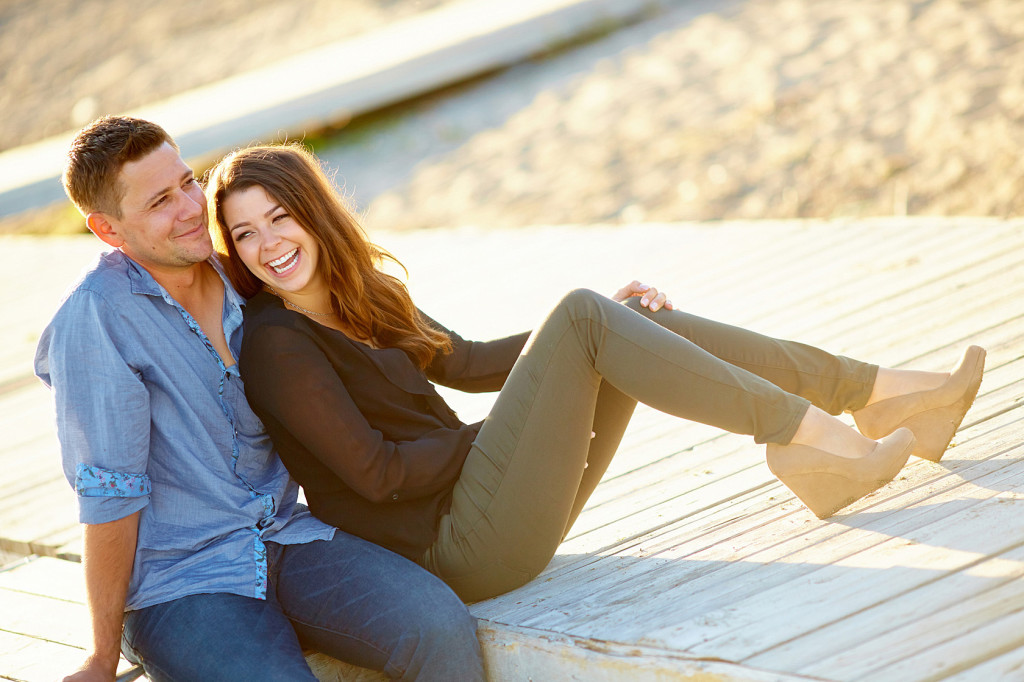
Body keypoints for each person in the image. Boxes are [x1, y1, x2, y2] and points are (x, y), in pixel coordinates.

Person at [206, 143, 986, 605]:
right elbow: (374, 478)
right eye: (244, 234)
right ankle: (814, 440)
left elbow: (474, 363)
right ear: (236, 253)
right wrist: (501, 440)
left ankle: (876, 393)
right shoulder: (279, 346)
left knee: (621, 319)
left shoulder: (368, 296)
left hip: (493, 500)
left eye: (279, 217)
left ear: (314, 212)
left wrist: (606, 325)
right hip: (459, 548)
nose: (268, 243)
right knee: (582, 317)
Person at [34, 117, 484, 682]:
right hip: (181, 583)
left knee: (438, 626)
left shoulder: (244, 274)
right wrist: (101, 658)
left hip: (286, 535)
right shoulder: (97, 322)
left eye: (188, 182)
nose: (192, 208)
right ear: (108, 230)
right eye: (160, 202)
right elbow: (110, 494)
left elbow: (384, 337)